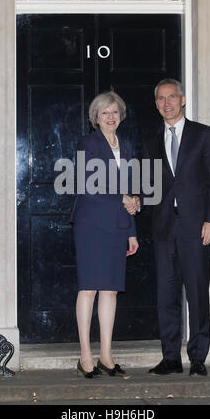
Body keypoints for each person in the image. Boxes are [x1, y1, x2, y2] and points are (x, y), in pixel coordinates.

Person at [125, 79, 210, 376]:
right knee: (165, 295)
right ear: (156, 104)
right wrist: (137, 201)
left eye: (172, 97)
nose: (166, 103)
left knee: (196, 292)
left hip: (197, 228)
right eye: (161, 99)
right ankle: (170, 358)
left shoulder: (204, 135)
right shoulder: (152, 140)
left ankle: (197, 357)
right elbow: (149, 184)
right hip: (164, 228)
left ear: (182, 100)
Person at [72, 91, 139, 379]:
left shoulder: (126, 146)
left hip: (117, 226)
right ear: (95, 118)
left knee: (110, 290)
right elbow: (86, 185)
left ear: (120, 116)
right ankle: (85, 357)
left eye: (114, 112)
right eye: (104, 113)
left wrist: (132, 228)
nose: (110, 117)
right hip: (91, 225)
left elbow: (132, 190)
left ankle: (106, 356)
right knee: (89, 288)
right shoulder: (87, 144)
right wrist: (123, 198)